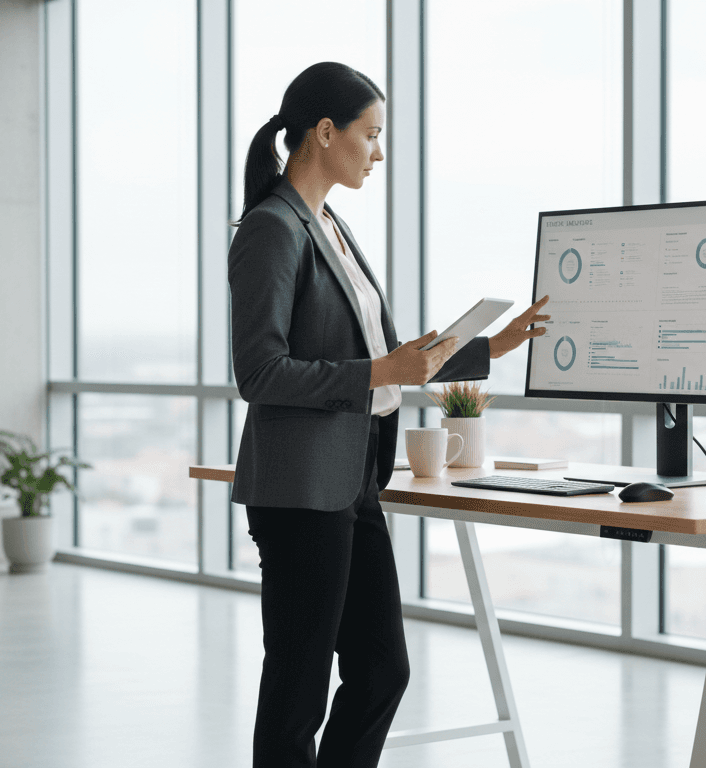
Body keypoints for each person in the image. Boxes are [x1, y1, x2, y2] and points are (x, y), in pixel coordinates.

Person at [227, 61, 549, 768]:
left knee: (380, 670)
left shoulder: (329, 225)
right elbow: (259, 371)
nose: (379, 151)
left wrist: (488, 346)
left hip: (351, 483)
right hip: (300, 492)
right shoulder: (273, 229)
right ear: (323, 132)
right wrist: (378, 373)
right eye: (371, 134)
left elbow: (380, 352)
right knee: (299, 687)